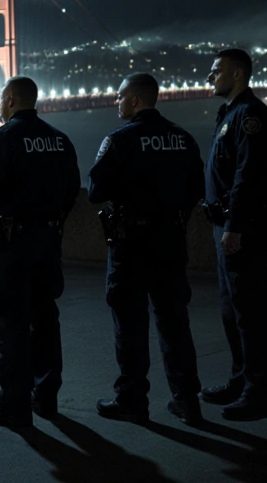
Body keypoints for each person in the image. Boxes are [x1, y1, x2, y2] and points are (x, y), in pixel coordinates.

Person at [88, 73, 205, 426]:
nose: (116, 102)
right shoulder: (183, 139)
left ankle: (132, 401)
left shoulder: (120, 140)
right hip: (170, 243)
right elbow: (198, 187)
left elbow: (95, 190)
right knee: (174, 323)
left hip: (131, 247)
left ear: (136, 100)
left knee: (130, 326)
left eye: (120, 96)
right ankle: (187, 401)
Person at [0, 76, 81, 431]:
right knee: (45, 320)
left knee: (10, 323)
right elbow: (71, 191)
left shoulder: (2, 138)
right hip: (48, 243)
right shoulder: (60, 139)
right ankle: (46, 397)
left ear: (8, 99)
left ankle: (14, 408)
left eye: (0, 99)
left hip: (11, 247)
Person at [201, 48, 267, 420]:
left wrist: (234, 226)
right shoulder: (231, 114)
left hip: (241, 228)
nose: (209, 76)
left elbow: (247, 176)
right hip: (227, 224)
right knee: (232, 311)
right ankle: (241, 380)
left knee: (250, 312)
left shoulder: (250, 117)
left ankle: (260, 390)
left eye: (216, 71)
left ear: (237, 74)